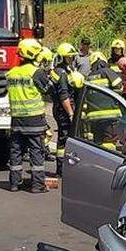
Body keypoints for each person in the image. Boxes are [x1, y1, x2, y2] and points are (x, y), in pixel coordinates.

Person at [6, 39, 54, 192]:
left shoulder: (11, 73)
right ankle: (37, 185)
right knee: (36, 153)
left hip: (16, 121)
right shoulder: (36, 72)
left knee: (16, 152)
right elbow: (48, 89)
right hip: (34, 120)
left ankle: (14, 183)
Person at [48, 42, 85, 181]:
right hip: (64, 109)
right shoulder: (62, 73)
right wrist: (71, 113)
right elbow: (64, 95)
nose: (72, 59)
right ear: (64, 57)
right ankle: (62, 169)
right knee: (66, 138)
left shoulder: (57, 70)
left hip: (58, 108)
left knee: (64, 138)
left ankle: (61, 168)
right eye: (69, 57)